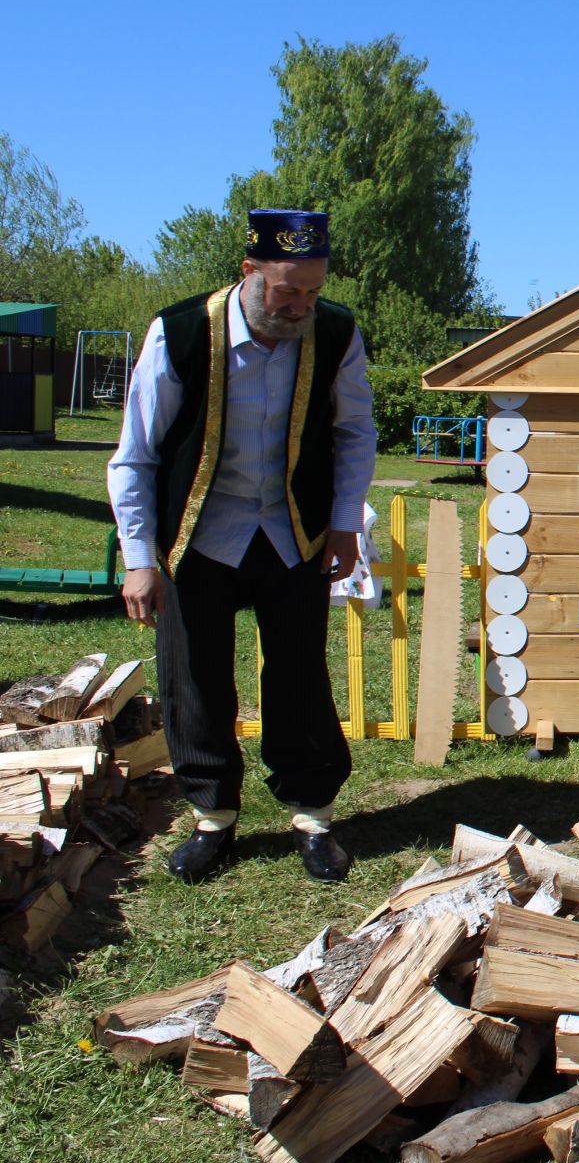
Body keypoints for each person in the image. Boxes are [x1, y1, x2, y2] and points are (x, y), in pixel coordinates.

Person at [107, 209, 374, 883]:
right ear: (249, 272)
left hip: (294, 532)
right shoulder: (179, 333)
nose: (300, 306)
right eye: (288, 291)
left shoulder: (335, 333)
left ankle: (313, 817)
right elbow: (135, 454)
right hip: (199, 537)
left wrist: (344, 522)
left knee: (300, 675)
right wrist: (140, 557)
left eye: (312, 292)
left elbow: (355, 433)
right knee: (194, 676)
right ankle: (213, 820)